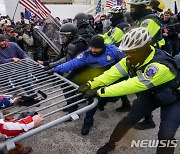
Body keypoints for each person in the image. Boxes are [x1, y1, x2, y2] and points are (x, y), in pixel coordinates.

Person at [79, 27, 180, 154]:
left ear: (144, 49)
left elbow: (132, 85)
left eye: (131, 52)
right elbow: (112, 73)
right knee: (128, 120)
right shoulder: (132, 58)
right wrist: (90, 84)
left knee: (166, 133)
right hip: (152, 94)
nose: (127, 55)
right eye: (127, 51)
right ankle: (111, 144)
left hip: (175, 98)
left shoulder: (159, 67)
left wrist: (100, 92)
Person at [50, 35, 129, 135]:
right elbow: (72, 63)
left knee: (97, 98)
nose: (93, 50)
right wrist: (53, 68)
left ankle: (88, 122)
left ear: (103, 46)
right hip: (92, 76)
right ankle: (73, 108)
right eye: (92, 47)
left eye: (96, 48)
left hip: (109, 76)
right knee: (82, 90)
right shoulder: (87, 53)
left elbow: (126, 63)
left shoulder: (113, 50)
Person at [128, 0, 165, 129]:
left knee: (144, 89)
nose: (131, 11)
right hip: (140, 59)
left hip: (148, 59)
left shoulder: (149, 21)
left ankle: (149, 120)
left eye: (133, 8)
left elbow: (139, 41)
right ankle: (145, 115)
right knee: (141, 90)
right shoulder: (142, 20)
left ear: (142, 7)